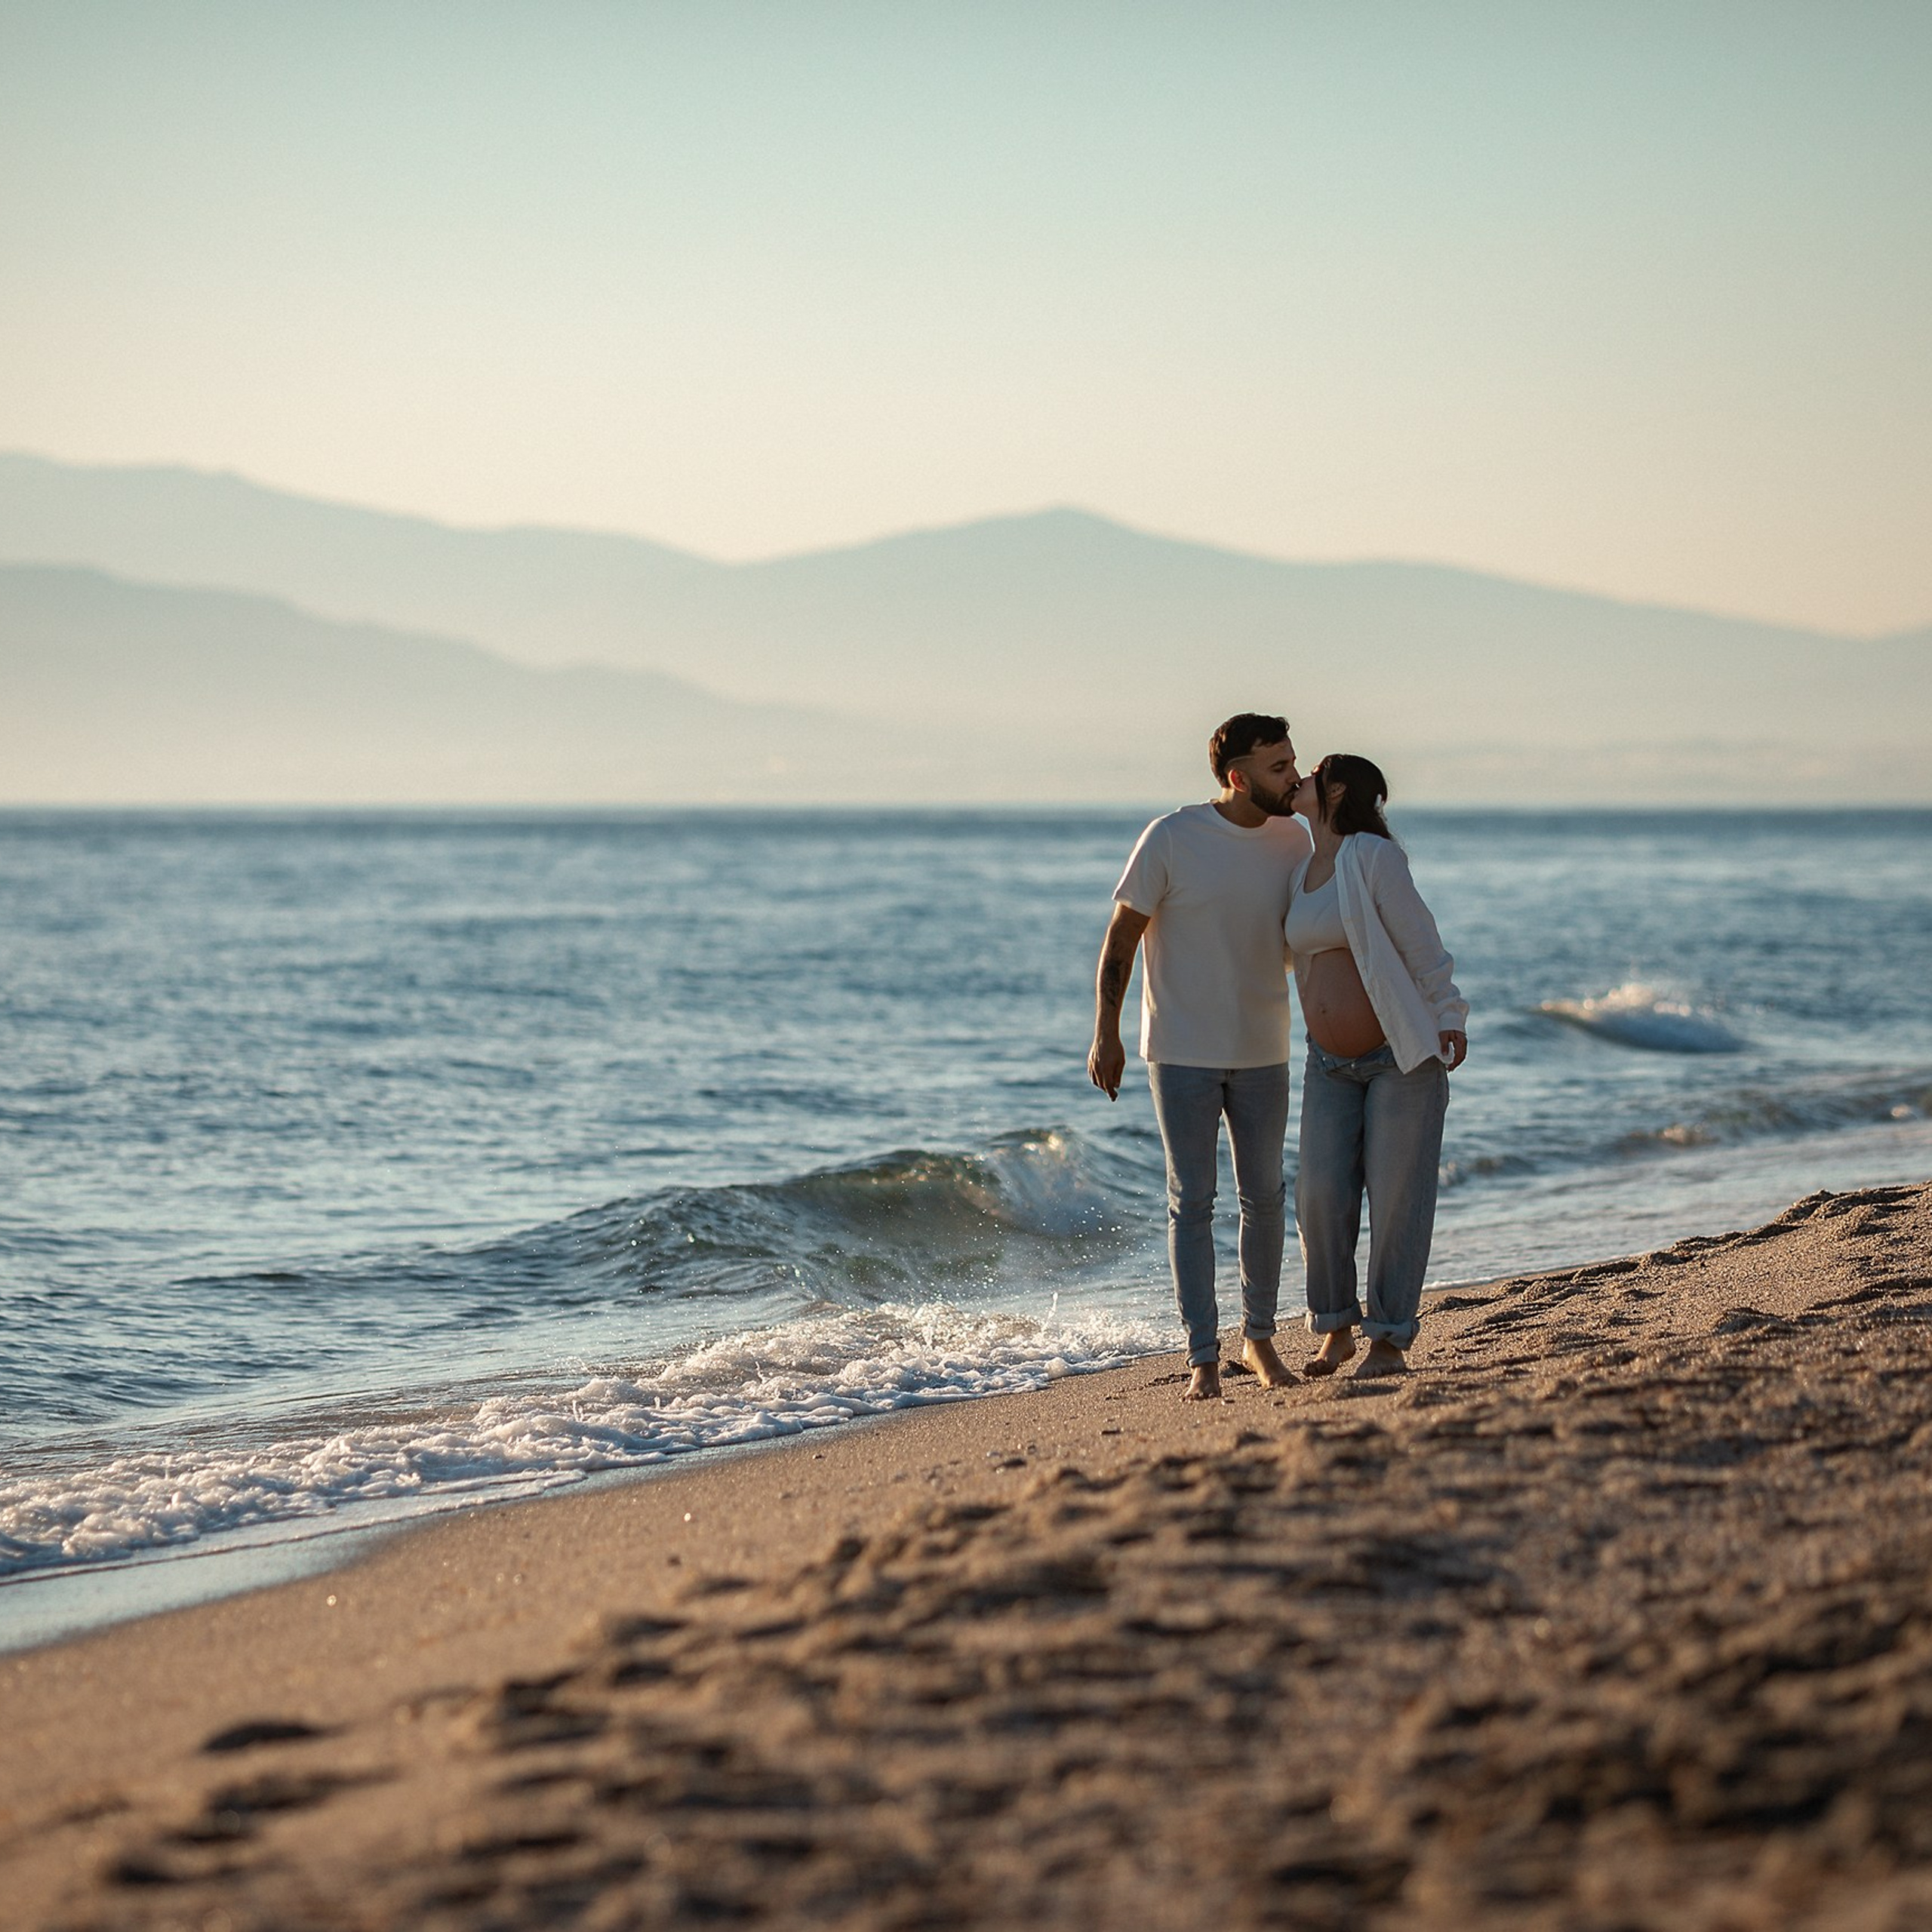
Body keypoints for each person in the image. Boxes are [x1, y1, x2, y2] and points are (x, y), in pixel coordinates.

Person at [1088, 714, 1312, 1401]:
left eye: (1293, 762)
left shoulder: (1293, 838)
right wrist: (1107, 1032)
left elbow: (1311, 931)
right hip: (1180, 1051)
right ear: (1237, 776)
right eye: (1278, 768)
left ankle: (1260, 1339)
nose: (1294, 777)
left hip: (1263, 1045)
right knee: (1192, 1202)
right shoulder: (1172, 837)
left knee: (1266, 1198)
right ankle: (1203, 1356)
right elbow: (1122, 936)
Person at [1285, 753, 1467, 1380]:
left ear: (1334, 790)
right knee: (1319, 1195)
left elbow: (1422, 942)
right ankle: (1334, 1325)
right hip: (1326, 1063)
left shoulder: (1373, 856)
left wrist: (1449, 1013)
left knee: (1397, 1201)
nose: (1298, 782)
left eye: (1308, 774)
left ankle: (1388, 1341)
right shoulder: (1297, 868)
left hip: (1398, 1058)